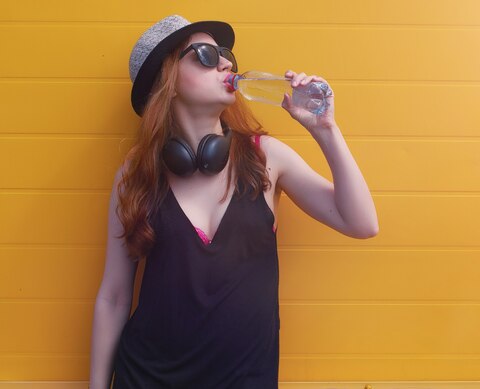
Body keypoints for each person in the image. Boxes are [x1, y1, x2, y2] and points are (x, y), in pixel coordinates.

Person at [89, 14, 378, 389]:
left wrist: (326, 130)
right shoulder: (136, 175)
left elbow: (362, 223)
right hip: (146, 377)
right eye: (206, 55)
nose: (226, 62)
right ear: (169, 80)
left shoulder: (266, 158)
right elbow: (113, 297)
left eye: (226, 55)